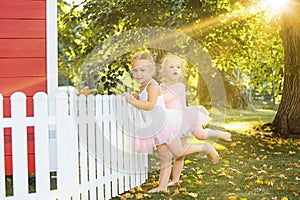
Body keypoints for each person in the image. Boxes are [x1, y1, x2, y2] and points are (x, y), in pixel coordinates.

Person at [123, 51, 219, 193]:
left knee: (178, 151)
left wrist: (132, 100)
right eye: (135, 70)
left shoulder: (153, 85)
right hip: (156, 126)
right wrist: (137, 95)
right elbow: (147, 98)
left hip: (165, 124)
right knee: (165, 157)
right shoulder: (146, 86)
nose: (138, 74)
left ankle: (206, 147)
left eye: (142, 70)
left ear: (151, 70)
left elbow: (150, 105)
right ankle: (162, 187)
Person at [160, 53, 232, 186]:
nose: (175, 69)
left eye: (178, 67)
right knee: (180, 154)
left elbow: (165, 99)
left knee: (201, 135)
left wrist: (154, 95)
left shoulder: (179, 86)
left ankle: (214, 138)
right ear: (164, 70)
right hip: (175, 121)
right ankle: (175, 179)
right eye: (171, 67)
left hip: (183, 117)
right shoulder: (161, 86)